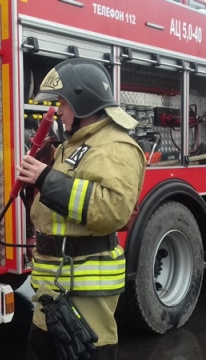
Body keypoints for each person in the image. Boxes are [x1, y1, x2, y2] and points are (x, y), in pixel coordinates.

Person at [16, 58, 146, 359]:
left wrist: (46, 178)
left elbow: (113, 209)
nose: (57, 110)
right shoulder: (72, 144)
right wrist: (36, 184)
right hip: (53, 285)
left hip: (85, 289)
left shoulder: (115, 146)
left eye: (62, 102)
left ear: (82, 100)